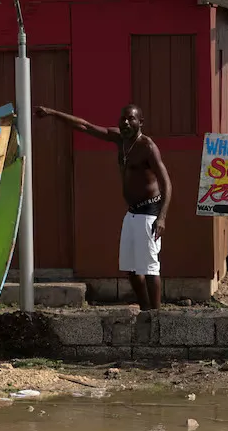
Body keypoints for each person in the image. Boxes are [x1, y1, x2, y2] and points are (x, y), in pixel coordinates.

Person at [36, 103, 172, 310]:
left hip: (149, 213)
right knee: (131, 269)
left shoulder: (147, 147)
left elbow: (166, 183)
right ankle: (146, 311)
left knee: (150, 268)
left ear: (140, 122)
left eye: (131, 119)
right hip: (133, 213)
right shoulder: (120, 140)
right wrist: (53, 113)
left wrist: (162, 217)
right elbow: (86, 126)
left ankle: (157, 315)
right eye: (123, 119)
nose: (126, 122)